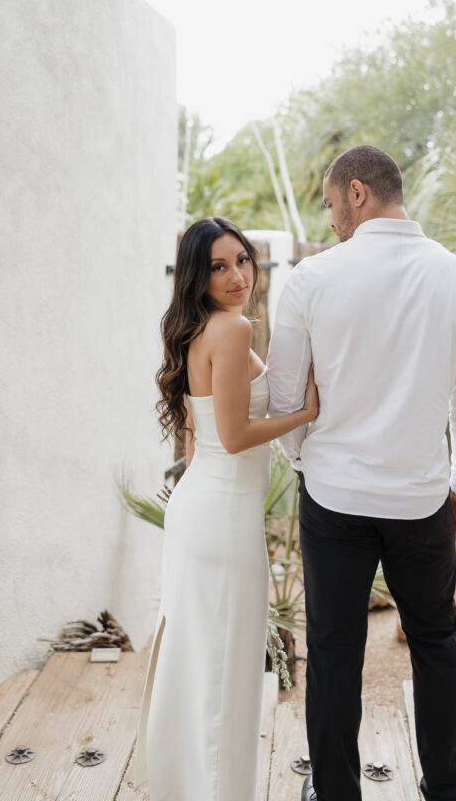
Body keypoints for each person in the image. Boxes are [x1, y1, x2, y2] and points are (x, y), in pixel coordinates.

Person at [267, 145, 456, 801]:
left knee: (334, 649)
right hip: (421, 500)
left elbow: (286, 399)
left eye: (331, 201)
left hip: (333, 497)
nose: (330, 217)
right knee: (433, 638)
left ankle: (334, 791)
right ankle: (449, 787)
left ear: (359, 192)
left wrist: (306, 460)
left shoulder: (310, 281)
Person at [134, 216, 318, 801]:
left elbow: (196, 436)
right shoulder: (232, 329)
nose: (238, 275)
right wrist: (308, 412)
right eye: (219, 266)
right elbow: (235, 436)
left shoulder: (201, 328)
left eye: (242, 259)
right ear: (198, 275)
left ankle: (185, 786)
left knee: (200, 661)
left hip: (201, 510)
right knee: (225, 669)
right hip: (221, 519)